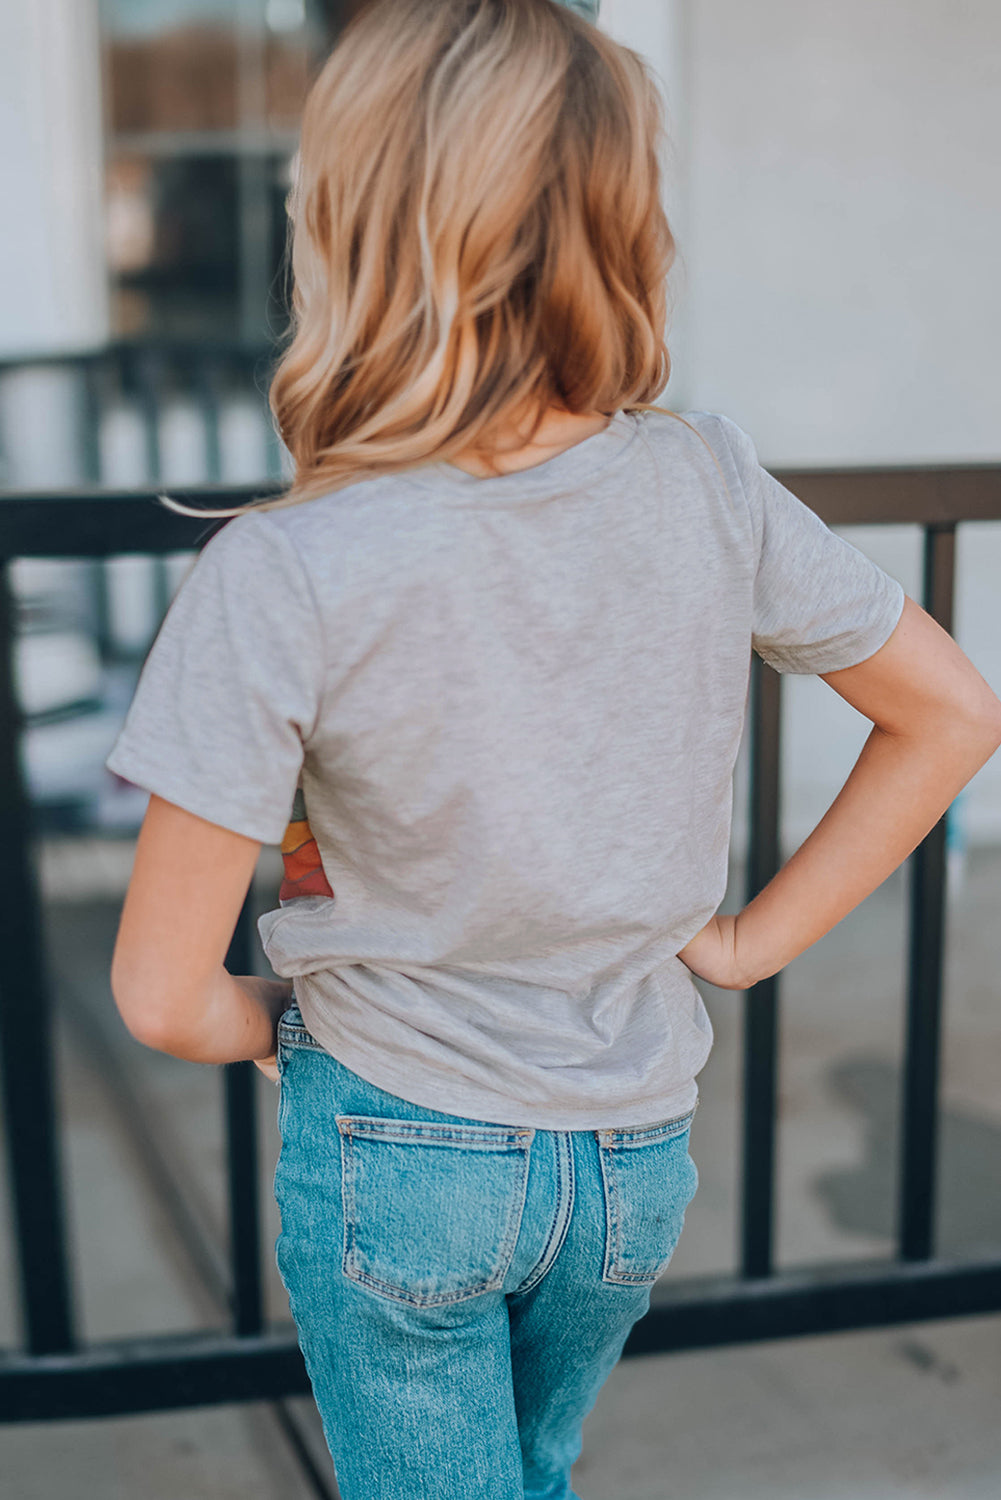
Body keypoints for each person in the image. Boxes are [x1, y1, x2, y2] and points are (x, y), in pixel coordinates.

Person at [104, 1, 1001, 1496]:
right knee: (530, 1473)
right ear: (621, 217)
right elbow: (953, 709)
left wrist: (292, 1027)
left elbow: (156, 992)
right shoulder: (705, 477)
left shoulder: (289, 562)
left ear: (348, 219)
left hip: (400, 1142)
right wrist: (745, 944)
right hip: (633, 1156)